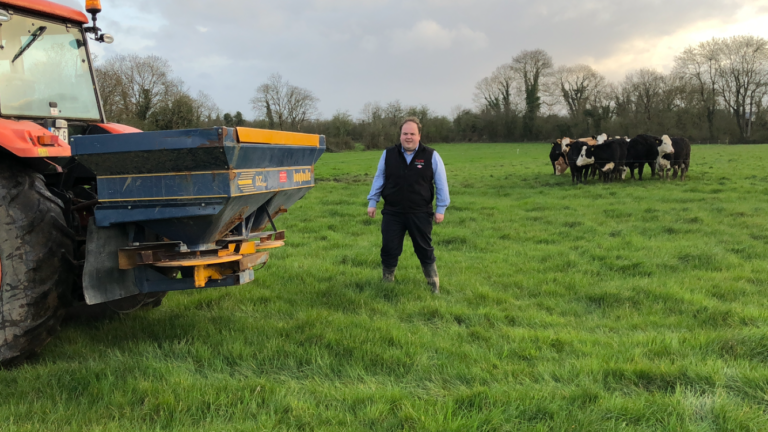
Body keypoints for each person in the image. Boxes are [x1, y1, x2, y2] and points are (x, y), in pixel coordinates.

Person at [367, 117, 450, 294]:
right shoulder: (388, 154)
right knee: (389, 247)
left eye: (412, 133)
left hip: (419, 212)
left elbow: (441, 184)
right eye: (405, 133)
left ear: (419, 135)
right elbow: (379, 178)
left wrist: (440, 208)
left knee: (424, 249)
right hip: (393, 212)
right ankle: (387, 282)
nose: (408, 137)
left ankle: (433, 284)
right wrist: (372, 202)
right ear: (400, 135)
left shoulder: (431, 156)